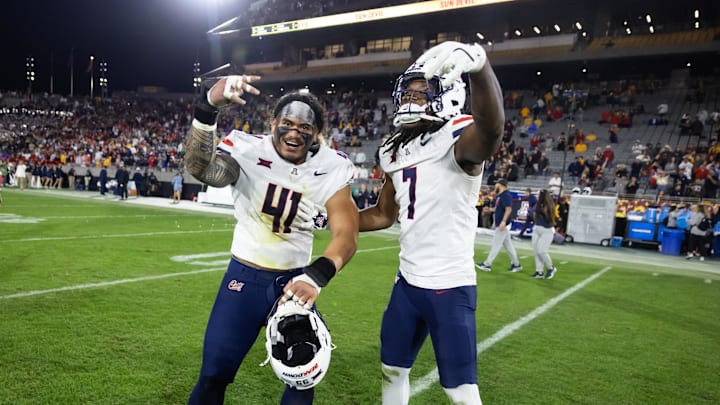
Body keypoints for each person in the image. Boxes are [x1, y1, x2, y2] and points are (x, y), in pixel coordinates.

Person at [185, 75, 359, 405]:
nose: (294, 132)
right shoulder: (248, 149)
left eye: (304, 127)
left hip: (297, 282)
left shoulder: (331, 167)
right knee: (213, 374)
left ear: (317, 133)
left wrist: (315, 277)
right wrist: (206, 108)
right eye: (287, 123)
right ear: (273, 122)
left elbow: (346, 235)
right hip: (243, 280)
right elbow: (200, 169)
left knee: (302, 377)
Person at [357, 40, 503, 404]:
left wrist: (481, 67)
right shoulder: (393, 149)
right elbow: (382, 214)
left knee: (460, 391)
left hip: (449, 286)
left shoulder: (458, 137)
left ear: (449, 95)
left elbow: (491, 131)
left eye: (422, 93)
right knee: (392, 369)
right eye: (408, 92)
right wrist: (330, 217)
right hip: (406, 282)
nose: (410, 99)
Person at [476, 178, 522, 273]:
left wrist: (503, 221)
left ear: (501, 185)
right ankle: (516, 264)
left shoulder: (506, 195)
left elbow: (508, 209)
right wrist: (489, 210)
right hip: (502, 224)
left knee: (496, 245)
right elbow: (499, 209)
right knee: (508, 246)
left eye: (496, 184)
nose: (495, 186)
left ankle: (487, 264)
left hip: (503, 225)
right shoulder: (500, 196)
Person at [530, 189, 558, 279]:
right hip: (537, 228)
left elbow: (540, 211)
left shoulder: (548, 206)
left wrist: (541, 199)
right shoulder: (538, 204)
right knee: (536, 251)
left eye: (539, 195)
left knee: (542, 251)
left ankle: (551, 268)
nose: (537, 196)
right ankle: (539, 271)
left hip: (547, 231)